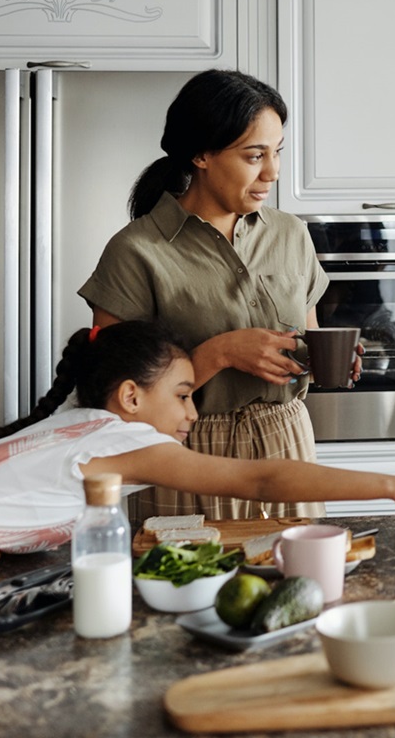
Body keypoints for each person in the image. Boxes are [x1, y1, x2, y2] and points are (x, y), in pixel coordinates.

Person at [0, 322, 395, 589]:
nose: (193, 414)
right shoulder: (124, 441)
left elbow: (8, 503)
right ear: (131, 397)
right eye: (183, 395)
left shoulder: (76, 420)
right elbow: (261, 481)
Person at [78, 69, 356, 522]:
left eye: (277, 152)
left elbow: (307, 339)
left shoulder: (291, 235)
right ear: (201, 154)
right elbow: (115, 401)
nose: (273, 172)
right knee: (192, 586)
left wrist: (323, 357)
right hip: (188, 456)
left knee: (302, 586)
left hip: (288, 441)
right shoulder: (135, 251)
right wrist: (221, 352)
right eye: (254, 155)